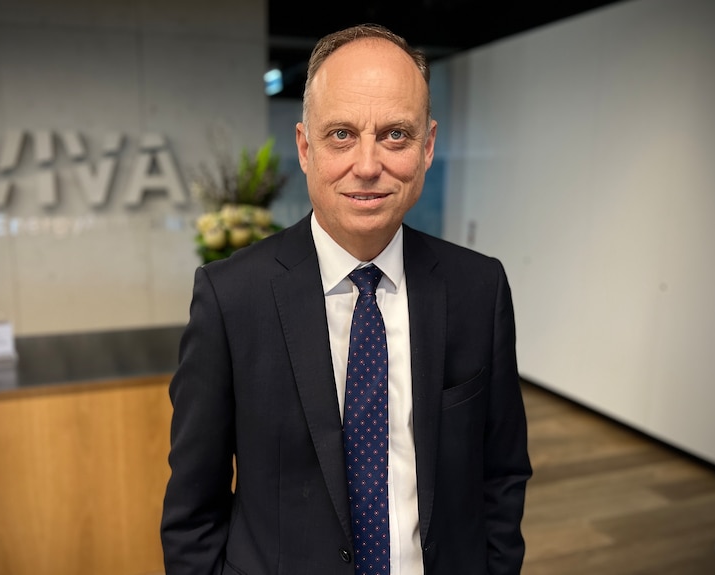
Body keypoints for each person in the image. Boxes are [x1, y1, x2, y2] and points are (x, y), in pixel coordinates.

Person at [161, 23, 532, 575]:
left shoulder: (479, 288)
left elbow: (500, 473)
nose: (366, 164)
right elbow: (194, 511)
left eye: (395, 135)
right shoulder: (230, 298)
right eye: (340, 134)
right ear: (304, 148)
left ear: (427, 147)